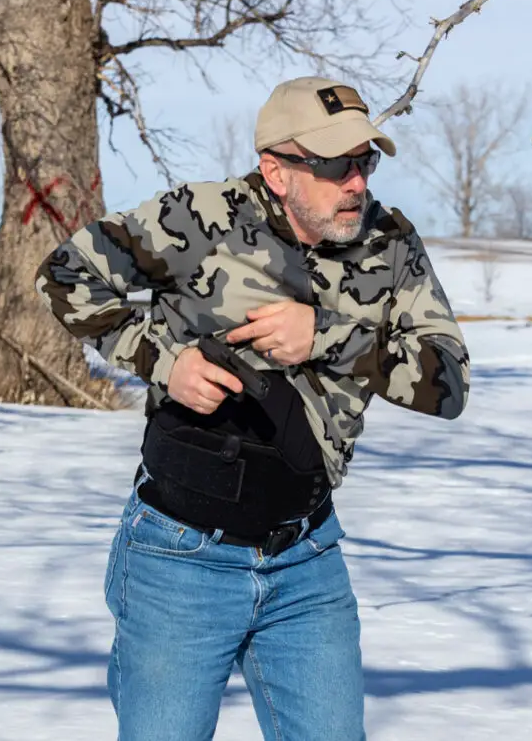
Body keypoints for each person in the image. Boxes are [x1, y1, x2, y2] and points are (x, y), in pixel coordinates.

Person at [34, 75, 470, 741]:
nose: (357, 182)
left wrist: (323, 335)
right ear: (277, 169)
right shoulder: (196, 217)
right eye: (335, 165)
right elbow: (65, 275)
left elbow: (450, 386)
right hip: (180, 560)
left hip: (308, 560)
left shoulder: (390, 244)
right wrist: (164, 361)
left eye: (366, 161)